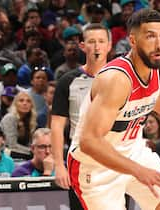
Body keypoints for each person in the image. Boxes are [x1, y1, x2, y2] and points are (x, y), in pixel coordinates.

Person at [64, 9, 160, 210]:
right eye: (150, 36)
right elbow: (90, 141)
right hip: (94, 164)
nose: (159, 43)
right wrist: (138, 171)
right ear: (133, 41)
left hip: (134, 152)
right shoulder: (116, 80)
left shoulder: (159, 67)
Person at [51, 23, 112, 191]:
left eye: (101, 41)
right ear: (83, 46)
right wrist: (58, 164)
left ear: (109, 46)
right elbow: (56, 125)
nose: (97, 46)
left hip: (115, 162)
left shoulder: (121, 79)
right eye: (91, 41)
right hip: (81, 160)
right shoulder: (67, 81)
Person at [0, 91, 37, 160]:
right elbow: (12, 145)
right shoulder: (10, 118)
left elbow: (29, 143)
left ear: (31, 105)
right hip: (4, 152)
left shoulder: (30, 120)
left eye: (28, 101)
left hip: (21, 152)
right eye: (21, 101)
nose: (25, 103)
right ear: (15, 104)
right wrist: (33, 151)